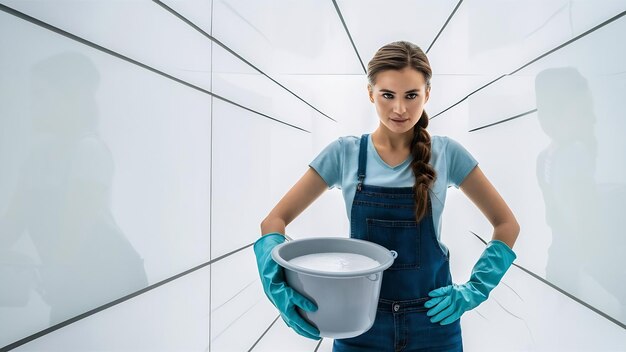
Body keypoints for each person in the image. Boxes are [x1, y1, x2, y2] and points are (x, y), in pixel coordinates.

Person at [253, 41, 520, 351]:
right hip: (357, 324)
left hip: (433, 325)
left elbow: (506, 224)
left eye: (411, 96)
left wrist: (474, 291)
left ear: (427, 95)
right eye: (387, 95)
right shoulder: (345, 154)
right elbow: (274, 220)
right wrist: (277, 285)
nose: (399, 109)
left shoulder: (447, 154)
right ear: (370, 94)